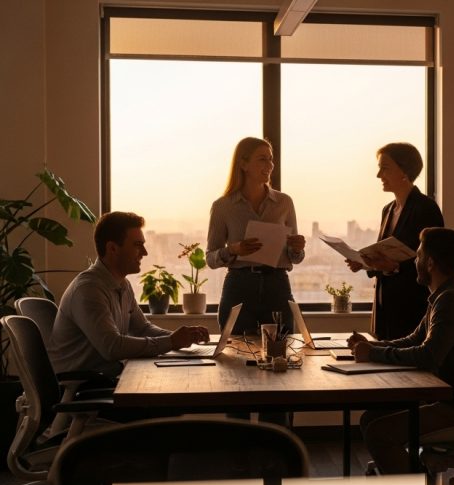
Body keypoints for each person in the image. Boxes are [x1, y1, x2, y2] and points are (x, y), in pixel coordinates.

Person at [350, 227, 454, 474]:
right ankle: (411, 479)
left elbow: (428, 356)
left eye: (418, 255)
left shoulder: (450, 300)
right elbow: (414, 340)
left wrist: (373, 354)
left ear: (430, 263)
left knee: (380, 432)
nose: (414, 261)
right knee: (370, 419)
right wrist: (371, 346)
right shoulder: (444, 295)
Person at [49, 212, 210, 379]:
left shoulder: (123, 285)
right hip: (84, 386)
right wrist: (171, 341)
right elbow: (112, 347)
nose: (145, 252)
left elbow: (142, 329)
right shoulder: (88, 289)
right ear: (112, 248)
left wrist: (181, 337)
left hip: (107, 378)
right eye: (137, 245)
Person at [206, 137, 305, 336]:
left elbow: (296, 258)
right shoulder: (223, 207)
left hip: (277, 285)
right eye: (262, 159)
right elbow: (210, 258)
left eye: (271, 159)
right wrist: (234, 250)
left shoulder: (284, 202)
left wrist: (297, 248)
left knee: (282, 347)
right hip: (239, 286)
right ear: (243, 164)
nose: (270, 165)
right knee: (235, 349)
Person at [346, 142, 443, 340]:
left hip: (412, 306)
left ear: (404, 171)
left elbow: (434, 261)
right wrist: (365, 263)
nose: (378, 175)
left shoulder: (426, 208)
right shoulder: (388, 210)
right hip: (385, 308)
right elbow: (384, 256)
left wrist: (395, 267)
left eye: (385, 168)